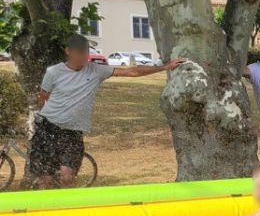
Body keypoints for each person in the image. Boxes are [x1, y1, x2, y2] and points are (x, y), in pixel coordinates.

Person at [30, 33, 185, 187]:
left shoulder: (96, 70)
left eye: (86, 51)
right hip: (48, 127)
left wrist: (165, 67)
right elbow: (43, 98)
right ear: (68, 51)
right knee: (45, 179)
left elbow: (132, 71)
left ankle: (68, 200)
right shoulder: (54, 72)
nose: (83, 55)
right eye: (79, 51)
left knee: (67, 176)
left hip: (73, 132)